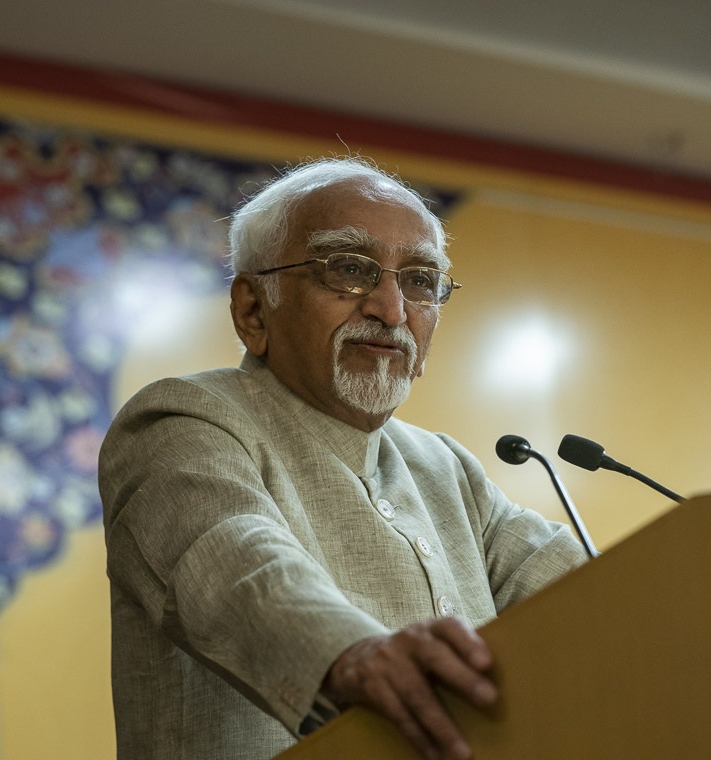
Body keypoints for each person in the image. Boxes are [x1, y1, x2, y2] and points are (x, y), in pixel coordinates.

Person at [99, 156, 587, 760]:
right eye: (350, 270)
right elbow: (230, 563)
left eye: (419, 280)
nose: (392, 309)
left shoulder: (446, 469)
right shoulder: (183, 421)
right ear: (253, 310)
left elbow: (588, 593)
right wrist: (348, 654)